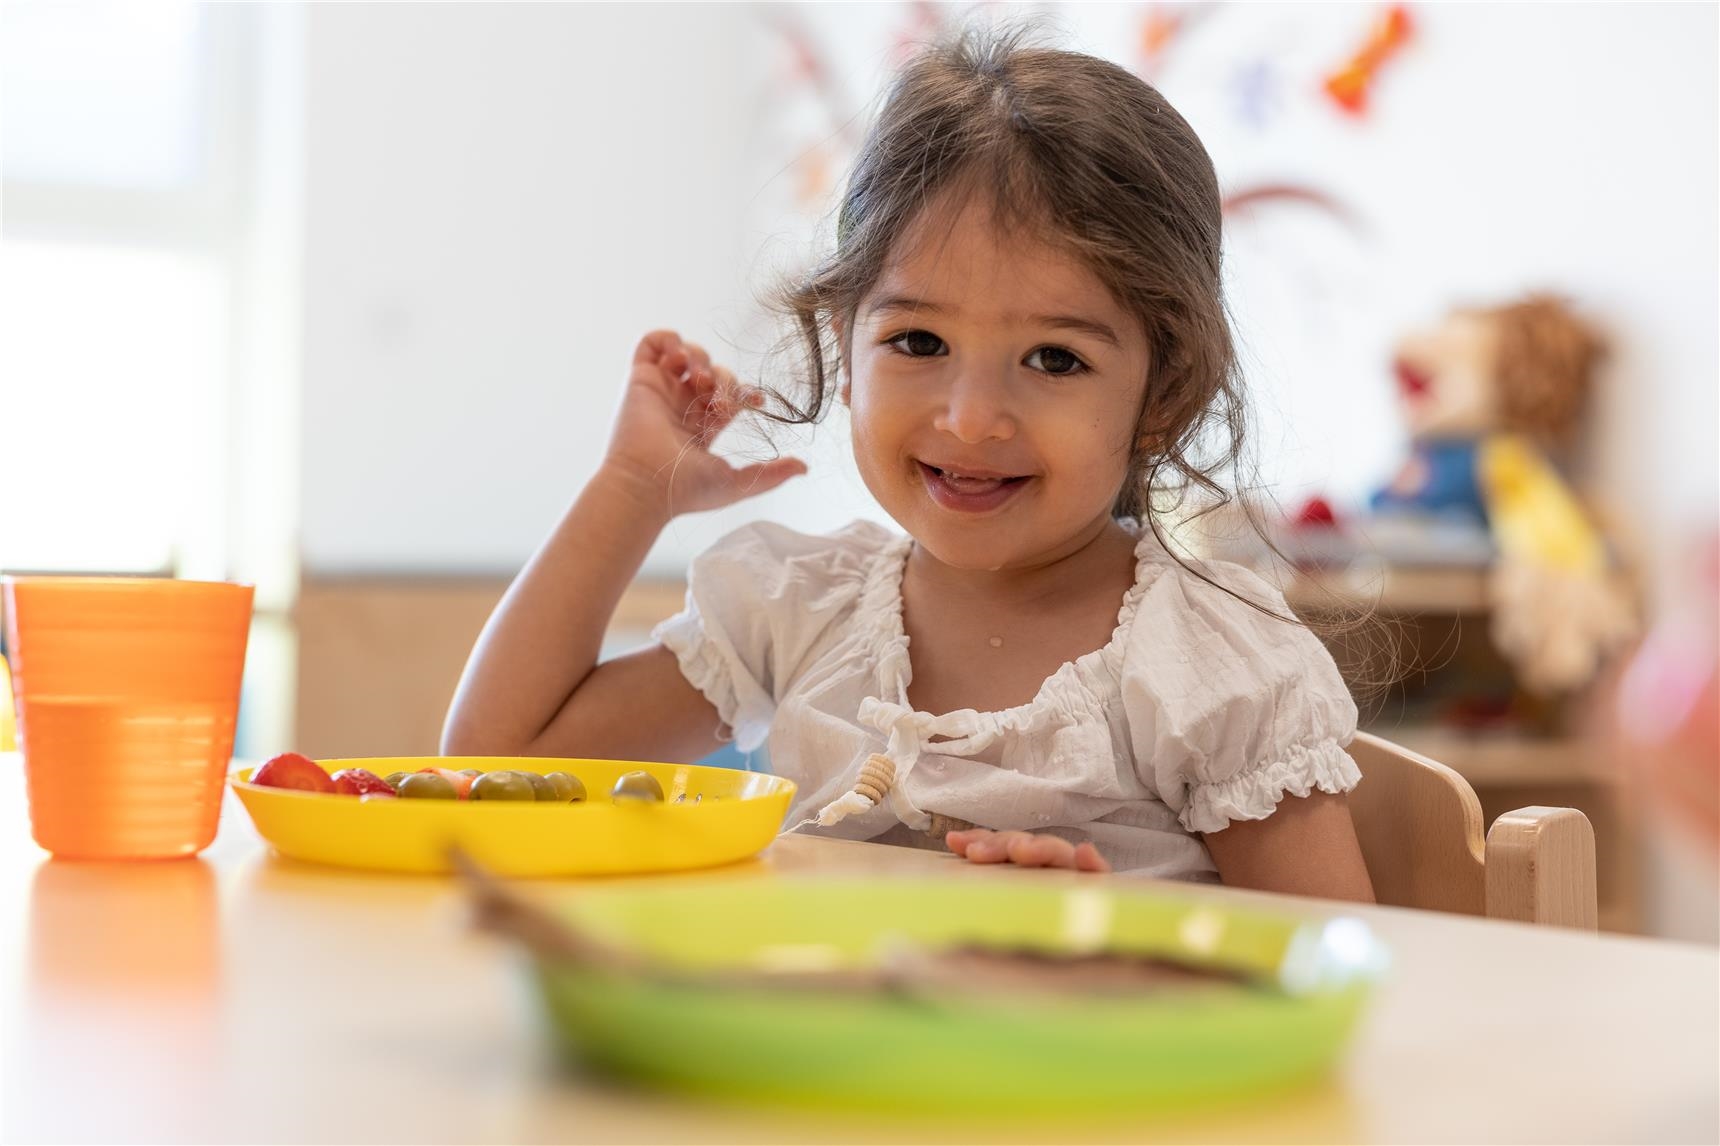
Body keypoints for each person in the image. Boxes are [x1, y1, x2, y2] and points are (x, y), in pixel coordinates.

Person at [443, 31, 1375, 901]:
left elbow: (1339, 965)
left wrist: (1110, 932)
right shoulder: (801, 610)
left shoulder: (1212, 666)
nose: (970, 419)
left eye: (1055, 359)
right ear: (843, 347)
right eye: (919, 340)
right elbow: (491, 762)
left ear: (1162, 395)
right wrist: (632, 493)